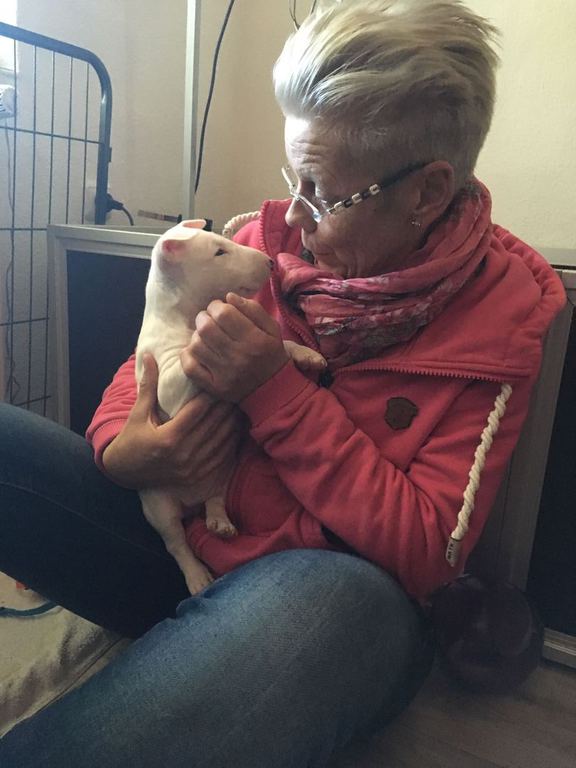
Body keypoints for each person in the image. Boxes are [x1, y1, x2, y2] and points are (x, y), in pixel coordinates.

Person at [0, 1, 565, 765]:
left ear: (427, 194)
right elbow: (142, 370)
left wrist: (274, 390)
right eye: (289, 176)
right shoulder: (255, 245)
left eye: (321, 191)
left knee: (332, 600)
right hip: (181, 549)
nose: (293, 218)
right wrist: (125, 452)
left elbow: (428, 552)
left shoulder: (495, 323)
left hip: (329, 599)